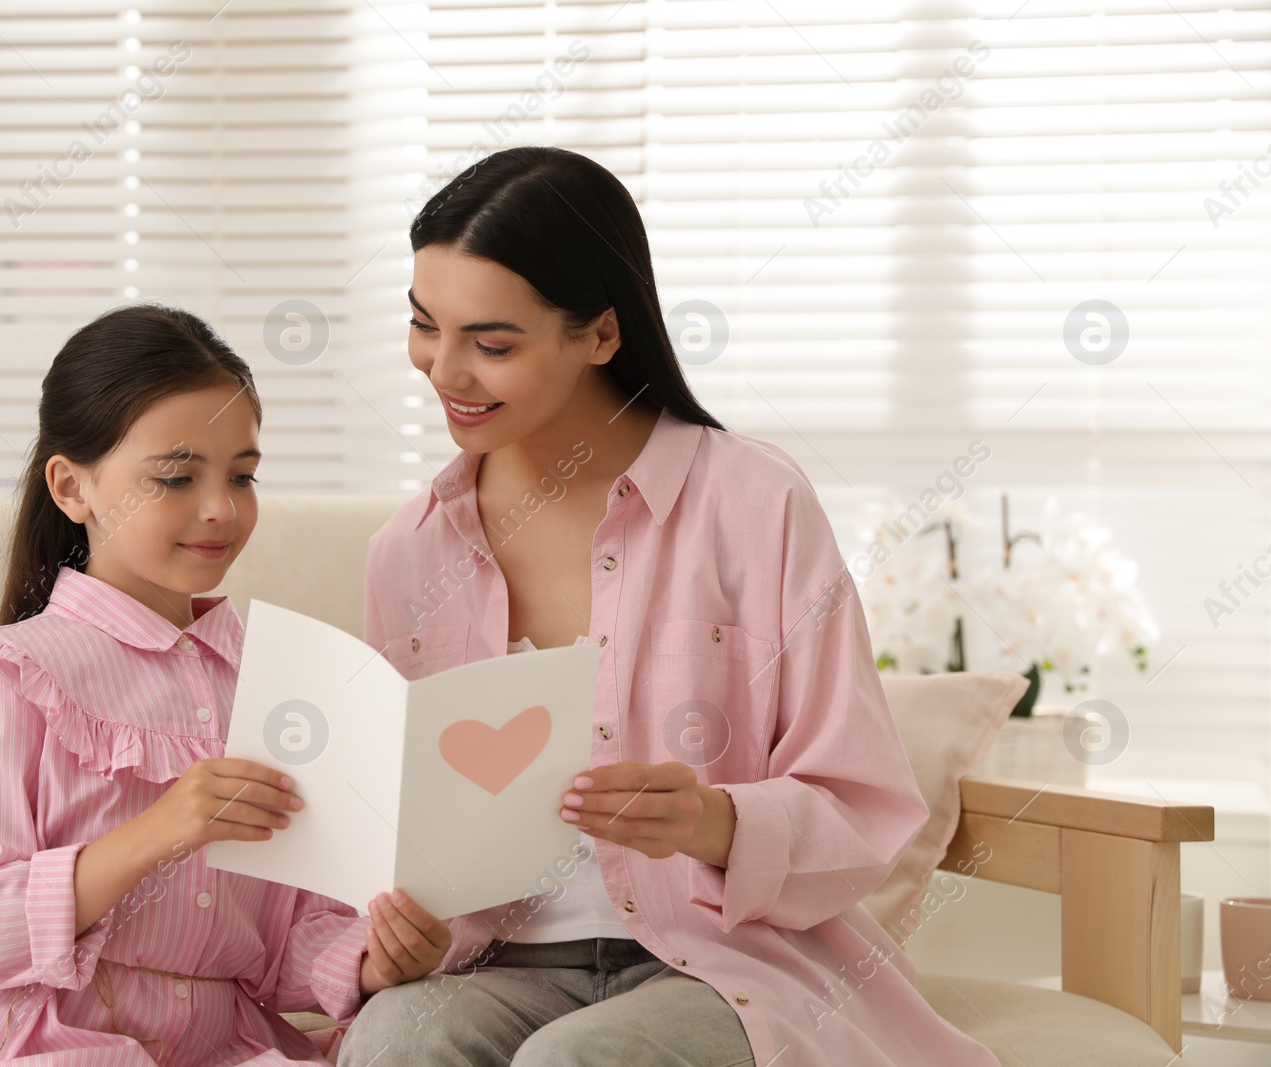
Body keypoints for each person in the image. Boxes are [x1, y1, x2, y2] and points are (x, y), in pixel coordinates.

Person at [336, 147, 1000, 1066]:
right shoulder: (410, 552)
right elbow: (391, 829)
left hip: (720, 961)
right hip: (496, 960)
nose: (444, 370)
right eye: (423, 325)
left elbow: (862, 805)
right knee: (393, 1042)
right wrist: (384, 938)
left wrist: (711, 820)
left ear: (601, 334)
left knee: (574, 1061)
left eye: (492, 344)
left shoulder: (753, 504)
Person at [0, 305, 451, 1066]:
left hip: (229, 1044)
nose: (221, 507)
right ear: (71, 486)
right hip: (49, 1042)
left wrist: (368, 959)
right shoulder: (5, 676)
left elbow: (288, 935)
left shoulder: (284, 682)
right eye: (176, 476)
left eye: (243, 475)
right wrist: (158, 831)